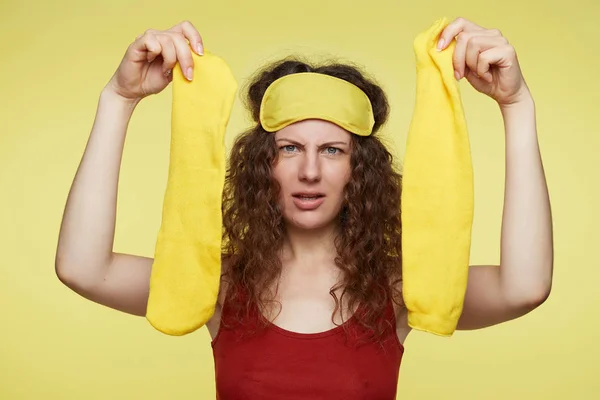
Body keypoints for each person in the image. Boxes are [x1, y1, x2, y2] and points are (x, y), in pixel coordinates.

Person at [54, 17, 553, 399]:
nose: (309, 170)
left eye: (332, 150)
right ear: (261, 164)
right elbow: (82, 268)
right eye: (289, 148)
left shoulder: (401, 291)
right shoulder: (217, 288)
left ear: (360, 169)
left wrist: (516, 105)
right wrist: (119, 98)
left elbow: (525, 287)